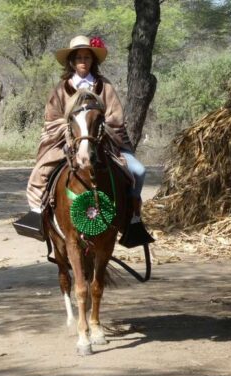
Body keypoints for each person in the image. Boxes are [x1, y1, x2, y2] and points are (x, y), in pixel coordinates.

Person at [23, 35, 153, 247]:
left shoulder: (105, 86)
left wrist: (98, 126)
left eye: (87, 57)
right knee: (41, 172)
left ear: (93, 61)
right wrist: (70, 129)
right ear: (72, 62)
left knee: (138, 171)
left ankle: (133, 218)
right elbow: (51, 118)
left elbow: (116, 117)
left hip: (104, 141)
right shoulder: (61, 88)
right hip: (67, 141)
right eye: (79, 57)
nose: (83, 61)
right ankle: (39, 214)